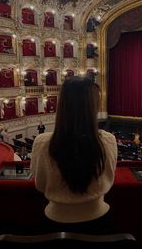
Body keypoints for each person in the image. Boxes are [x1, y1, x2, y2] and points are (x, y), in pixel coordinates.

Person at [31, 76, 118, 234]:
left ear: (62, 105)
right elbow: (109, 180)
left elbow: (40, 185)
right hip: (99, 220)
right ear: (94, 107)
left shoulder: (41, 143)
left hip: (54, 221)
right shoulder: (108, 141)